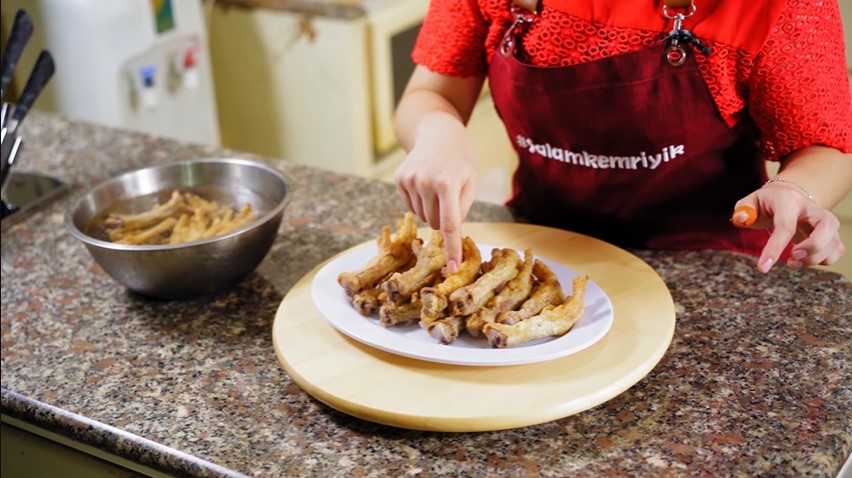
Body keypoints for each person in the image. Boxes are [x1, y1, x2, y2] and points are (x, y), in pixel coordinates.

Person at [392, 0, 852, 275]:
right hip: (544, 247)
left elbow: (828, 144)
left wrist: (796, 190)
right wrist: (437, 132)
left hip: (711, 269)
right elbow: (431, 94)